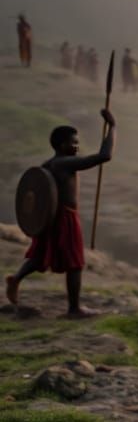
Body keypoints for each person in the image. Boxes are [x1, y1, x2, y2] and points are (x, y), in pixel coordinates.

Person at [6, 110, 117, 317]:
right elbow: (104, 156)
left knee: (40, 255)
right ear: (61, 145)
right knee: (75, 263)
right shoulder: (63, 163)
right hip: (64, 217)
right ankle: (74, 309)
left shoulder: (49, 164)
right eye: (73, 143)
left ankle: (16, 278)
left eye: (77, 143)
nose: (76, 147)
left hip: (51, 217)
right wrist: (112, 127)